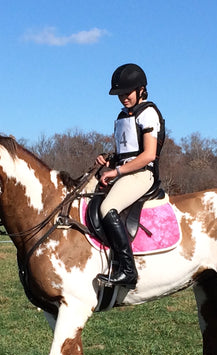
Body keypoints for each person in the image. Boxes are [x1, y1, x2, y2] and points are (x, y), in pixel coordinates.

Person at [95, 63, 165, 289]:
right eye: (119, 95)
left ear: (141, 89)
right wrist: (110, 161)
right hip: (125, 171)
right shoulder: (123, 116)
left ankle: (128, 270)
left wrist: (116, 171)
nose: (123, 98)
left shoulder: (149, 113)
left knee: (108, 208)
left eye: (127, 93)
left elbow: (147, 155)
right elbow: (126, 152)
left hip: (143, 174)